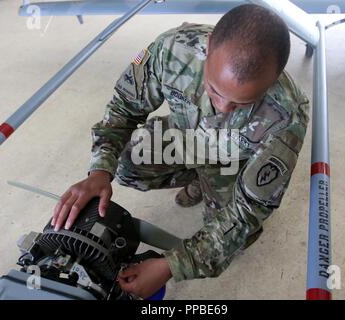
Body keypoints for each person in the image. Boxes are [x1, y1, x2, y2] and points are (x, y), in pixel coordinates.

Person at [51, 4, 310, 299]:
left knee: (237, 237)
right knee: (125, 165)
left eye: (241, 103)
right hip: (185, 137)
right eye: (214, 89)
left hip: (233, 163)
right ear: (209, 45)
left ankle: (209, 181)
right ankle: (199, 178)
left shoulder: (286, 116)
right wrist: (99, 170)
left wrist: (172, 265)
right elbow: (123, 109)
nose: (223, 108)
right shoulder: (172, 49)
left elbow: (248, 212)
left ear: (274, 79)